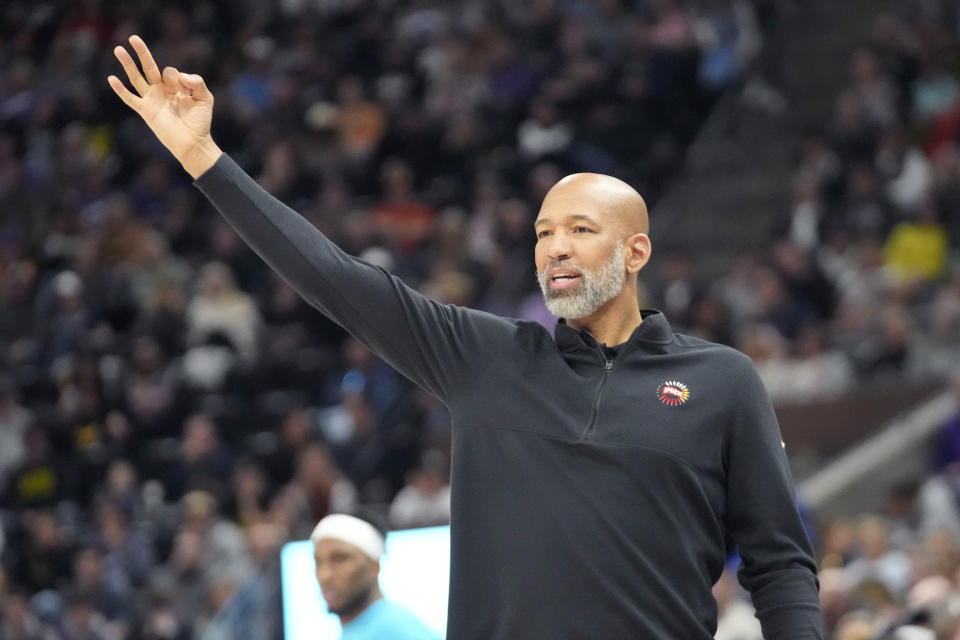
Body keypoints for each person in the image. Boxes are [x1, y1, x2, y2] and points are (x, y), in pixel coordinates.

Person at [108, 35, 822, 638]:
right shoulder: (485, 358)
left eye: (580, 229)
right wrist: (207, 161)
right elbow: (332, 276)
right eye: (544, 233)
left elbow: (779, 561)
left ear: (635, 252)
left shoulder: (723, 382)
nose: (555, 248)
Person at [311, 513, 437, 639]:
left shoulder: (400, 630)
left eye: (340, 559)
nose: (324, 575)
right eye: (318, 561)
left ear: (374, 565)